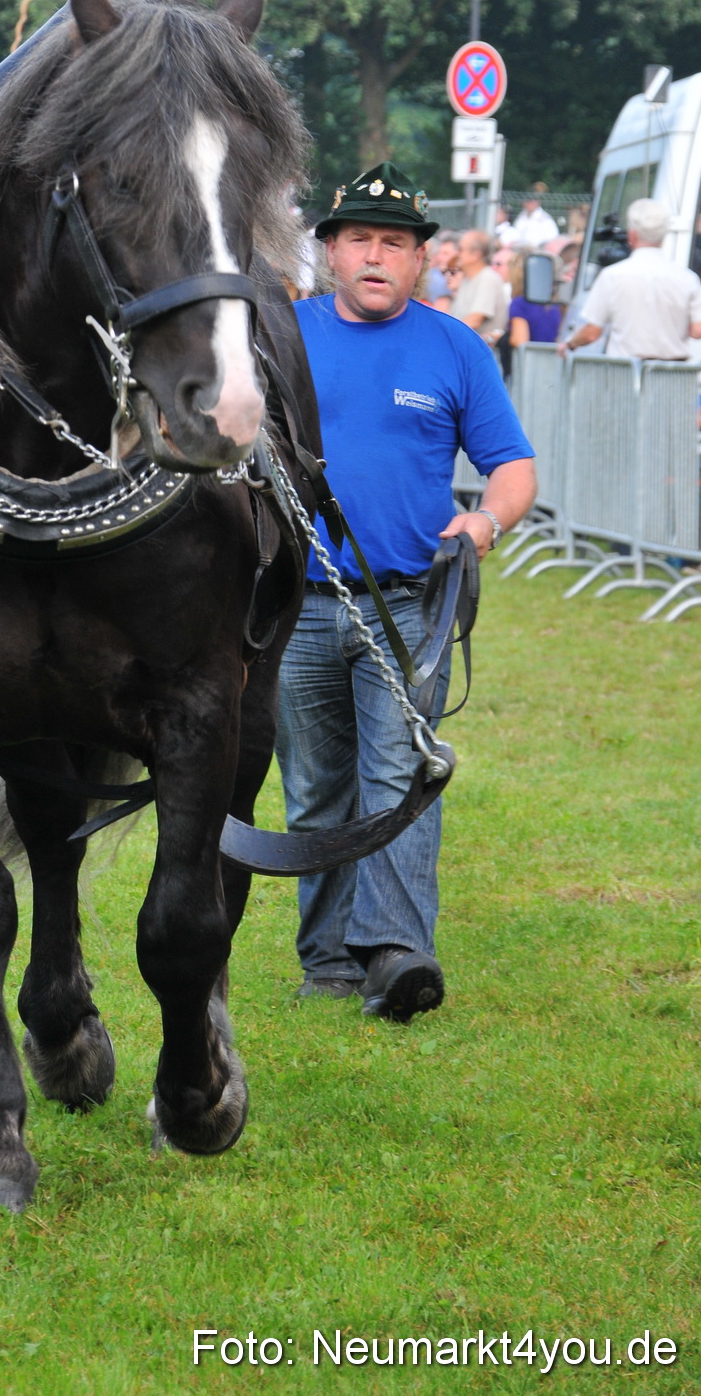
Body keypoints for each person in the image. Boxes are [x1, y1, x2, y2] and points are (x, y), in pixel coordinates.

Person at [277, 162, 536, 1020]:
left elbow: (512, 466)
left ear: (421, 258)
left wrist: (483, 523)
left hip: (407, 602)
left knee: (396, 775)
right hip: (297, 602)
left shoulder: (454, 345)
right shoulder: (280, 334)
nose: (377, 256)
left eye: (395, 242)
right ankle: (326, 961)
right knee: (315, 786)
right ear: (330, 251)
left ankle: (393, 954)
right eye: (360, 239)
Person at [560, 198, 701, 361]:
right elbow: (697, 330)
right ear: (663, 236)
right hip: (672, 375)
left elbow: (592, 333)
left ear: (632, 235)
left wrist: (570, 344)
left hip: (627, 374)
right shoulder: (687, 278)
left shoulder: (612, 276)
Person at [448, 229, 509, 347]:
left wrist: (445, 337)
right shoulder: (468, 279)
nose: (457, 254)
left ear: (475, 255)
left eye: (460, 249)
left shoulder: (487, 278)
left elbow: (474, 320)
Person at [511, 184, 560, 253]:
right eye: (528, 201)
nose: (530, 203)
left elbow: (553, 239)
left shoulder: (545, 219)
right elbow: (515, 234)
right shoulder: (521, 217)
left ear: (538, 202)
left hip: (538, 252)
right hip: (520, 251)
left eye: (533, 200)